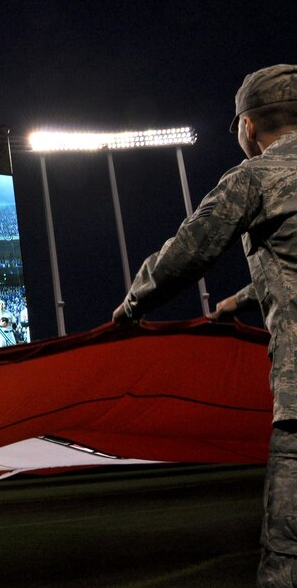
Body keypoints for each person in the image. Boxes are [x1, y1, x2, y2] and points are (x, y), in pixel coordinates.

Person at [111, 64, 297, 587]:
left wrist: (132, 306)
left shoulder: (254, 177)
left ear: (247, 126)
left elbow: (187, 256)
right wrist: (238, 301)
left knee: (289, 559)